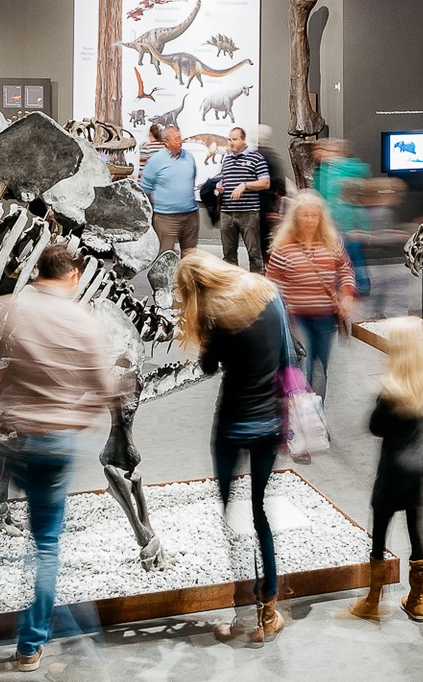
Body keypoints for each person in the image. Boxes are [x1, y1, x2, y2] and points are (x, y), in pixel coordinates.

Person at [0, 242, 123, 672]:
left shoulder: (7, 308)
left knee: (37, 535)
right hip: (54, 441)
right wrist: (74, 415)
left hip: (16, 438)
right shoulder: (83, 321)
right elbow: (105, 387)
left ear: (36, 272)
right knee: (46, 546)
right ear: (75, 276)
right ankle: (30, 643)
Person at [176, 252, 291, 643]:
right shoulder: (269, 293)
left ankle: (242, 613)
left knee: (231, 514)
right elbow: (288, 357)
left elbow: (209, 367)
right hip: (270, 423)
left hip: (233, 425)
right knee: (260, 512)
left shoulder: (216, 318)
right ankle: (267, 613)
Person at [347, 316, 423, 623]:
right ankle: (418, 600)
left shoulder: (391, 390)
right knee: (417, 529)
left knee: (380, 528)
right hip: (418, 469)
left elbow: (375, 427)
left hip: (391, 472)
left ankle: (374, 599)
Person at [264, 193, 357, 416]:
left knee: (321, 367)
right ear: (296, 218)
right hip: (296, 317)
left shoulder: (332, 243)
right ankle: (301, 417)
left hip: (325, 316)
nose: (309, 220)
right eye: (305, 215)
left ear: (320, 218)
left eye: (314, 215)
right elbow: (271, 283)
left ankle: (316, 414)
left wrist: (347, 296)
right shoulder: (283, 247)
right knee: (303, 366)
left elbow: (345, 270)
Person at [312, 140, 371, 294]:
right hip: (331, 221)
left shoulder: (349, 167)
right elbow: (320, 196)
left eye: (327, 150)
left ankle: (361, 284)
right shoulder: (323, 171)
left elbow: (362, 173)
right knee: (338, 254)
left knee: (353, 253)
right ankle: (344, 283)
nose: (322, 153)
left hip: (350, 222)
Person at [215, 126, 272, 272]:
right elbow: (224, 180)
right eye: (229, 139)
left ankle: (257, 289)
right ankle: (232, 288)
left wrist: (245, 185)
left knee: (254, 254)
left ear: (243, 140)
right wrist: (219, 186)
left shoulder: (255, 158)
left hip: (248, 213)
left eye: (235, 139)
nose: (231, 142)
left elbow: (265, 182)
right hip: (227, 213)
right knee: (228, 256)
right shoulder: (227, 159)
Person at [141, 125, 199, 253]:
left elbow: (192, 177)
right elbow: (146, 188)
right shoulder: (156, 161)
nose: (180, 141)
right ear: (166, 142)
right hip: (166, 218)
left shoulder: (189, 157)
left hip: (190, 215)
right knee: (164, 255)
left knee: (190, 258)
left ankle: (185, 274)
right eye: (176, 139)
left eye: (180, 138)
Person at [252, 125, 288, 250]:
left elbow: (278, 183)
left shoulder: (258, 157)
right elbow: (280, 184)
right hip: (266, 204)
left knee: (261, 239)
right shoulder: (272, 156)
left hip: (262, 204)